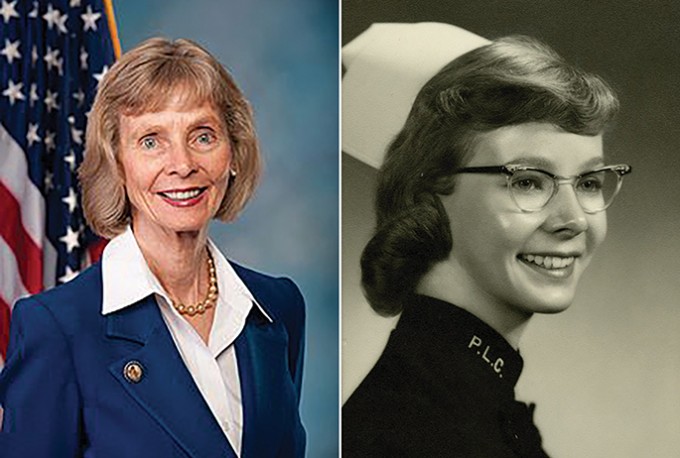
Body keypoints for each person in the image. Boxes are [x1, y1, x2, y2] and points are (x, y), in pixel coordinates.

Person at [0, 38, 305, 458]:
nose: (181, 164)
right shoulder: (57, 328)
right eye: (150, 141)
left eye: (203, 135)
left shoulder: (277, 307)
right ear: (117, 163)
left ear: (233, 152)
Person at [342, 23, 631, 457]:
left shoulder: (460, 403)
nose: (573, 220)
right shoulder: (409, 430)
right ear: (428, 195)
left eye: (589, 182)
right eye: (530, 182)